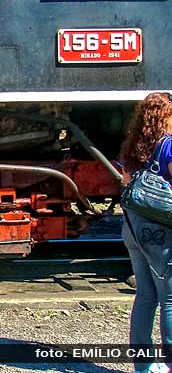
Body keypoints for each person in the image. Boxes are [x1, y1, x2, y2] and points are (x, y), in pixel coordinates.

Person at [119, 92, 172, 373]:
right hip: (162, 232)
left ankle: (143, 365)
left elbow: (126, 185)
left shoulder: (132, 148)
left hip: (133, 229)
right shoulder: (169, 147)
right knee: (170, 299)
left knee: (145, 296)